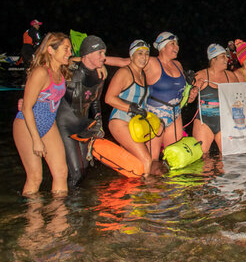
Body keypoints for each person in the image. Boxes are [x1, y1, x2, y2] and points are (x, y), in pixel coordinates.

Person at [105, 32, 188, 158]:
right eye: (172, 44)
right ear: (162, 47)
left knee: (173, 157)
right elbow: (123, 61)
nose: (177, 46)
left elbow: (181, 92)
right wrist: (98, 61)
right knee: (152, 159)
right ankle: (149, 177)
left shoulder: (178, 65)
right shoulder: (151, 62)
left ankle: (169, 178)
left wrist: (191, 90)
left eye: (177, 43)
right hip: (155, 116)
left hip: (176, 114)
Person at [13, 32, 71, 196]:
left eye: (70, 49)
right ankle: (33, 220)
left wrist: (101, 65)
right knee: (35, 177)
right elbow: (26, 107)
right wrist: (36, 140)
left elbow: (83, 61)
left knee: (61, 172)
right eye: (66, 49)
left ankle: (59, 219)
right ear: (51, 50)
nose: (69, 53)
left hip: (48, 124)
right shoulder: (41, 72)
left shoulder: (61, 71)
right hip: (27, 125)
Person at [56, 35, 106, 187]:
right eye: (100, 53)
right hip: (65, 126)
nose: (104, 57)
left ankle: (79, 208)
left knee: (83, 171)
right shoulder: (68, 73)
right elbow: (49, 88)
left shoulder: (100, 75)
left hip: (83, 125)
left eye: (104, 53)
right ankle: (65, 207)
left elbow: (95, 101)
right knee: (76, 173)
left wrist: (98, 122)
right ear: (87, 54)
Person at [105, 40, 159, 176]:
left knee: (130, 164)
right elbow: (109, 98)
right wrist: (131, 108)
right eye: (140, 53)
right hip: (120, 121)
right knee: (147, 159)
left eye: (147, 54)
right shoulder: (124, 72)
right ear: (131, 56)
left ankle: (130, 193)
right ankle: (147, 193)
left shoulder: (143, 75)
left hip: (136, 126)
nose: (144, 57)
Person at [189, 44, 238, 153]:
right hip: (204, 122)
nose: (227, 59)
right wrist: (193, 91)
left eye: (226, 56)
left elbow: (240, 100)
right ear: (213, 59)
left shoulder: (231, 76)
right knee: (203, 160)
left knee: (229, 160)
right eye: (223, 57)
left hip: (225, 123)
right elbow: (188, 100)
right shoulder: (200, 75)